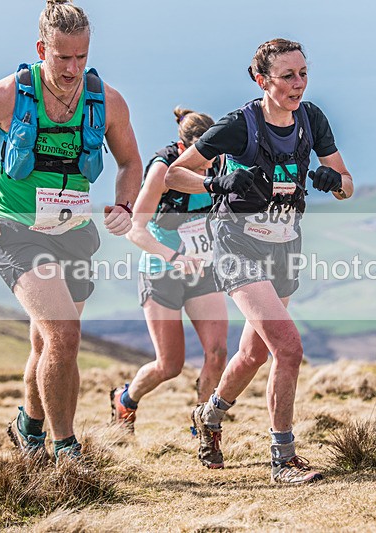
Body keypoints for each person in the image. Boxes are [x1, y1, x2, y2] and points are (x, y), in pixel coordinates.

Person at [0, 0, 143, 463]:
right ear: (41, 48)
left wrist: (126, 204)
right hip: (16, 229)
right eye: (62, 57)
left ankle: (28, 429)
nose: (72, 68)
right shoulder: (6, 94)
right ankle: (66, 450)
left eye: (82, 57)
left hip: (73, 230)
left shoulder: (107, 101)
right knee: (64, 335)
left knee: (46, 343)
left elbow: (130, 162)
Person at [165, 38, 354, 483]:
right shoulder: (238, 126)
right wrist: (218, 181)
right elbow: (176, 174)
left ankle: (208, 418)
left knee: (252, 355)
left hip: (285, 245)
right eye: (288, 76)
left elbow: (348, 184)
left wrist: (335, 181)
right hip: (237, 247)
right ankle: (282, 460)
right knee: (288, 349)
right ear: (261, 79)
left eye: (303, 73)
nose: (298, 84)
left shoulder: (312, 119)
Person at [109, 108, 228, 459]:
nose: (207, 169)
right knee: (170, 365)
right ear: (183, 147)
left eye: (212, 160)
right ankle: (125, 400)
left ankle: (205, 425)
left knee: (218, 353)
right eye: (200, 161)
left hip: (203, 271)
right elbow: (135, 229)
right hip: (160, 271)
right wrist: (173, 257)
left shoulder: (218, 164)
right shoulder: (163, 170)